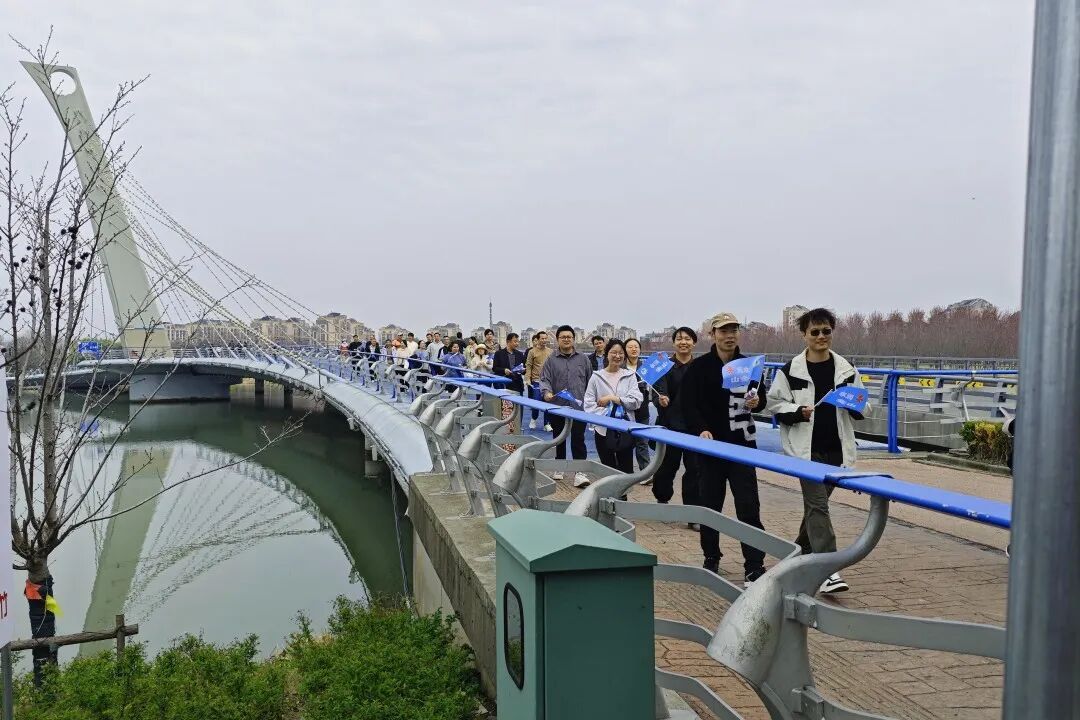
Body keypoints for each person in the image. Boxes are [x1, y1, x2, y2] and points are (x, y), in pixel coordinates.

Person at [767, 308, 868, 594]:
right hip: (805, 452)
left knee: (815, 509)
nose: (821, 336)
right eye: (815, 332)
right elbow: (774, 404)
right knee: (818, 506)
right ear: (804, 335)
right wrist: (797, 411)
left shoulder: (846, 370)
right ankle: (827, 569)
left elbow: (864, 406)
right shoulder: (790, 370)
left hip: (837, 450)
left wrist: (854, 405)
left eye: (826, 331)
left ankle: (796, 557)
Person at [682, 312, 768, 586]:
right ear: (713, 334)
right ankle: (711, 556)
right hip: (711, 449)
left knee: (748, 507)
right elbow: (688, 405)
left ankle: (754, 565)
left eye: (734, 330)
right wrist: (701, 429)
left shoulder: (749, 366)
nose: (729, 336)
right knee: (710, 506)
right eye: (723, 331)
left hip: (742, 446)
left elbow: (761, 397)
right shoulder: (699, 367)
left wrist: (757, 402)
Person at [652, 327, 701, 512]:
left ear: (694, 343)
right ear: (674, 343)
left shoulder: (700, 367)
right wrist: (660, 400)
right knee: (666, 467)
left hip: (694, 428)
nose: (683, 342)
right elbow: (657, 392)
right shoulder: (664, 366)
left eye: (687, 339)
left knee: (695, 469)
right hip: (669, 426)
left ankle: (692, 509)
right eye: (679, 339)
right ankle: (662, 500)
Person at [540, 324, 593, 487]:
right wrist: (547, 392)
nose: (566, 339)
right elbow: (545, 379)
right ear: (557, 340)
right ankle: (559, 466)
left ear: (573, 339)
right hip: (558, 406)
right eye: (563, 337)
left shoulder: (583, 359)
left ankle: (580, 471)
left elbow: (590, 381)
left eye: (569, 337)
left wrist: (590, 402)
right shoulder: (551, 360)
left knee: (578, 438)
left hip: (579, 407)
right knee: (559, 437)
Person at [584, 339, 642, 476]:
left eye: (621, 353)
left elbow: (636, 401)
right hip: (603, 430)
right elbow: (589, 405)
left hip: (625, 429)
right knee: (607, 471)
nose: (617, 356)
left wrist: (614, 399)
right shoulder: (596, 377)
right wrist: (609, 415)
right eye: (613, 352)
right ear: (606, 354)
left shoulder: (630, 376)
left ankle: (623, 491)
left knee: (626, 470)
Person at [623, 338, 653, 473]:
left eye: (636, 346)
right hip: (625, 411)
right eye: (630, 347)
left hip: (642, 410)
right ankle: (626, 473)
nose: (633, 349)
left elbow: (654, 388)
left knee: (642, 443)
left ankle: (645, 473)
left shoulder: (646, 368)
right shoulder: (621, 368)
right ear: (625, 350)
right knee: (625, 444)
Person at [524, 332, 552, 431]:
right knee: (536, 402)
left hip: (548, 382)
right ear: (538, 339)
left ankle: (547, 424)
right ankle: (533, 419)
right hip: (536, 381)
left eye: (545, 338)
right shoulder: (532, 352)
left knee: (548, 402)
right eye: (542, 338)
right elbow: (528, 366)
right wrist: (527, 379)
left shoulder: (551, 351)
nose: (544, 340)